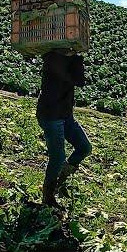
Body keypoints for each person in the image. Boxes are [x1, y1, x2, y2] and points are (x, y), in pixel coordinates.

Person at [37, 48, 92, 208]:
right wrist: (72, 58)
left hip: (66, 115)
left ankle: (60, 180)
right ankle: (48, 196)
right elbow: (71, 78)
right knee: (58, 157)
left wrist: (75, 57)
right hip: (51, 115)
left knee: (84, 147)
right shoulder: (51, 58)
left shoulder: (72, 58)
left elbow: (80, 81)